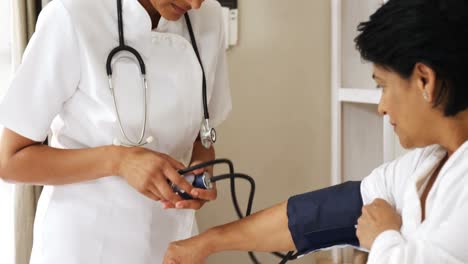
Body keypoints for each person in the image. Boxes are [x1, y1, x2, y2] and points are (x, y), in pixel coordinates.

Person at [163, 0, 468, 263]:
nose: (381, 106)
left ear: (424, 81)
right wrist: (208, 242)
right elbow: (324, 212)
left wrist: (383, 239)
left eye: (383, 86)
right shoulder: (428, 163)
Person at [0, 0, 231, 263]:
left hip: (171, 243)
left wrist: (201, 172)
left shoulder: (208, 17)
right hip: (84, 246)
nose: (196, 3)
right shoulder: (72, 14)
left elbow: (203, 133)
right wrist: (119, 161)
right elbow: (10, 160)